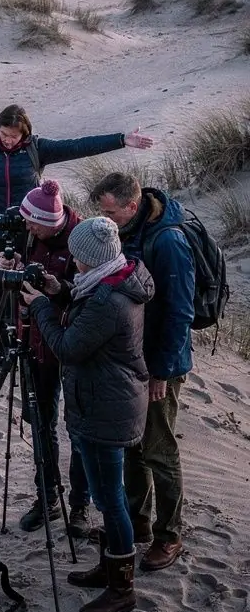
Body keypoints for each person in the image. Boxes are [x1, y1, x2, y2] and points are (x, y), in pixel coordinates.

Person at [21, 216, 154, 612]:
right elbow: (83, 322)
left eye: (78, 258)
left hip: (105, 409)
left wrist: (40, 306)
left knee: (109, 499)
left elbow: (67, 346)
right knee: (106, 495)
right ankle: (109, 566)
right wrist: (59, 293)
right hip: (108, 401)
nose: (74, 263)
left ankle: (122, 588)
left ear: (93, 260)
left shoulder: (107, 300)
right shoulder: (111, 282)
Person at [89, 171, 195, 572]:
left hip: (161, 364)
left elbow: (179, 313)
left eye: (110, 212)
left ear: (132, 206)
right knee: (132, 444)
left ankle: (171, 535)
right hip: (134, 360)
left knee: (159, 449)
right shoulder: (131, 229)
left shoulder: (167, 241)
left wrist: (162, 373)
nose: (106, 218)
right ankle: (137, 524)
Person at [0, 104, 153, 309]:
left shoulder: (35, 148)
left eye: (14, 136)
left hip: (31, 229)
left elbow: (75, 147)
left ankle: (25, 331)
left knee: (27, 283)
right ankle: (0, 334)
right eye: (4, 134)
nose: (8, 140)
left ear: (25, 133)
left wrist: (121, 140)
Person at [8, 179, 91, 535]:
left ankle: (80, 506)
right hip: (37, 342)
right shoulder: (33, 236)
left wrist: (61, 289)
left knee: (79, 429)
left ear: (50, 221)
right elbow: (26, 281)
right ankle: (48, 499)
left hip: (73, 347)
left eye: (32, 222)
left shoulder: (83, 241)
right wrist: (14, 268)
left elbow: (94, 296)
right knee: (41, 424)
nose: (25, 227)